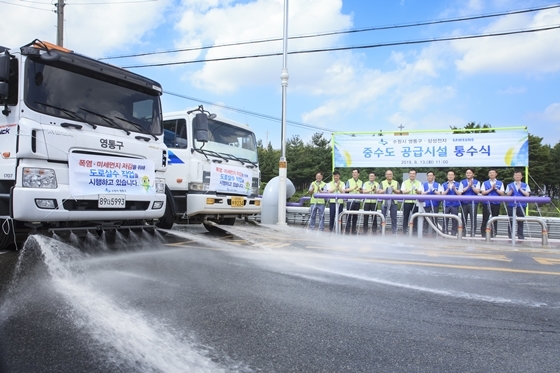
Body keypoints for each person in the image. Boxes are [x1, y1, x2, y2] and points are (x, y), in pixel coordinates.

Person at [505, 170, 531, 240]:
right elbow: (507, 195)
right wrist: (511, 191)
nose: (517, 176)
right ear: (513, 176)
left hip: (522, 205)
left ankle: (520, 235)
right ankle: (510, 235)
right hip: (511, 205)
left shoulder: (525, 185)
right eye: (516, 175)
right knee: (511, 220)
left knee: (521, 221)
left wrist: (521, 189)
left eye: (519, 175)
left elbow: (527, 195)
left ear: (521, 176)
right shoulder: (509, 185)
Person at [480, 168, 505, 237]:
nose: (492, 174)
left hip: (496, 203)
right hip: (486, 203)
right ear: (488, 174)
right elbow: (483, 193)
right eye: (490, 173)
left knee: (494, 218)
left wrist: (496, 188)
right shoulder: (485, 183)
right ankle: (483, 233)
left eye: (493, 172)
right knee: (485, 218)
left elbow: (502, 193)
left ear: (496, 174)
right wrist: (491, 189)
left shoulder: (500, 183)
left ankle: (493, 233)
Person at [458, 168, 481, 237]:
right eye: (467, 173)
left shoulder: (477, 182)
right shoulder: (462, 182)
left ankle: (473, 233)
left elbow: (477, 191)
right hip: (464, 202)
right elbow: (460, 191)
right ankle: (463, 233)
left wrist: (472, 186)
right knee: (463, 218)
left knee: (473, 218)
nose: (468, 174)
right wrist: (468, 186)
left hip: (473, 203)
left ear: (473, 174)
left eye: (470, 173)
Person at [379, 169, 401, 235]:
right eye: (388, 174)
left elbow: (399, 192)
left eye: (391, 174)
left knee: (394, 217)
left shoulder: (396, 182)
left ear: (393, 175)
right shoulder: (382, 182)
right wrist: (387, 189)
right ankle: (381, 231)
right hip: (384, 202)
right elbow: (379, 192)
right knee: (383, 217)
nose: (389, 175)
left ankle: (394, 232)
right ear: (385, 175)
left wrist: (393, 190)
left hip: (394, 202)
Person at [401, 169, 423, 234]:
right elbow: (403, 191)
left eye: (413, 173)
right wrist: (410, 190)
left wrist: (416, 189)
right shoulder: (405, 182)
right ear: (409, 174)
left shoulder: (419, 183)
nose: (412, 175)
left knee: (415, 217)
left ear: (416, 175)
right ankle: (404, 231)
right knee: (405, 217)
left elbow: (420, 192)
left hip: (415, 202)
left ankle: (414, 231)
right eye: (411, 173)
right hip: (407, 202)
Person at [439, 170, 461, 236]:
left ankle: (454, 232)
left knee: (454, 219)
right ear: (447, 176)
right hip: (446, 204)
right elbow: (442, 194)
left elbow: (460, 194)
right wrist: (447, 189)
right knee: (445, 219)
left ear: (454, 176)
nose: (450, 176)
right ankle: (444, 231)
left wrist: (454, 189)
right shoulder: (444, 184)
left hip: (455, 204)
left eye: (452, 175)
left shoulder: (458, 184)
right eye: (449, 175)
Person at [421, 170, 440, 235]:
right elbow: (422, 193)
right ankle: (424, 232)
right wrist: (427, 191)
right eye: (428, 176)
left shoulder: (438, 184)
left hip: (435, 204)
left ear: (434, 176)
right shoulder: (423, 184)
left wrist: (434, 190)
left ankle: (435, 233)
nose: (429, 177)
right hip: (426, 204)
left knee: (435, 219)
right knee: (426, 219)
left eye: (431, 175)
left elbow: (440, 194)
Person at [345, 168, 363, 234]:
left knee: (355, 217)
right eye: (353, 172)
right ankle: (347, 230)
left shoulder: (361, 182)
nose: (354, 174)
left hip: (357, 201)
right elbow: (346, 190)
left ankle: (353, 230)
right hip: (350, 200)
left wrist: (361, 190)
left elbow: (362, 191)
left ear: (358, 174)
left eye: (355, 172)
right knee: (348, 216)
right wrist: (353, 188)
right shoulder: (349, 181)